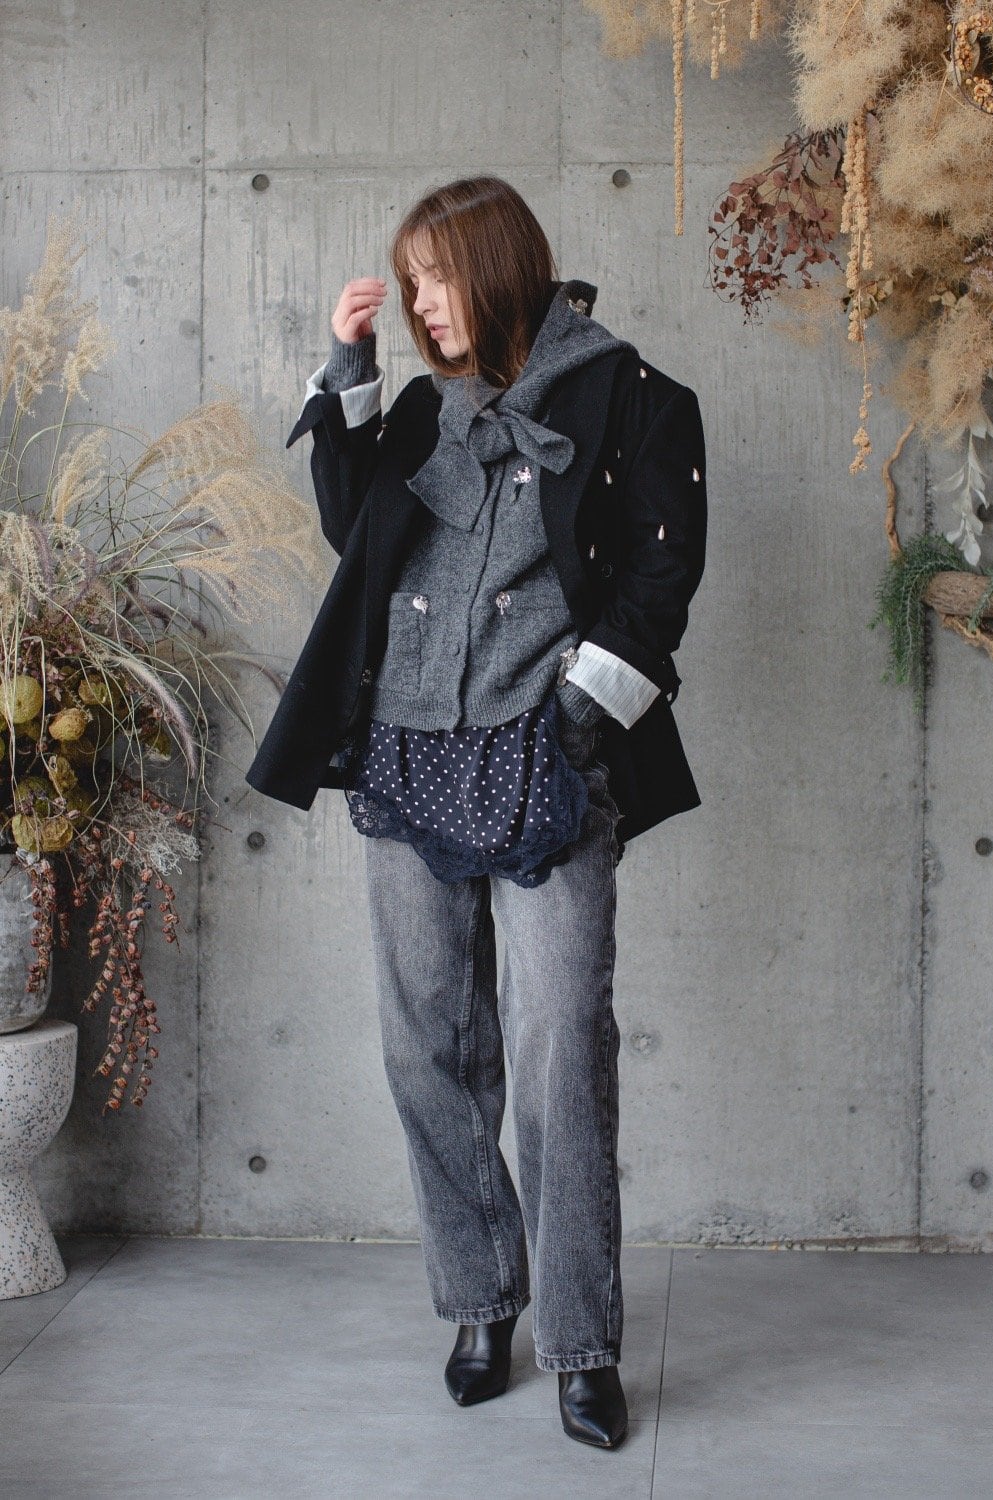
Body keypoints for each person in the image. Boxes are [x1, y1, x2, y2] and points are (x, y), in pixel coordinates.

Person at [245, 175, 708, 1452]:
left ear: (500, 266)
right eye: (411, 286)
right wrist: (349, 371)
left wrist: (579, 715)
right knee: (427, 1051)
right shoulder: (416, 410)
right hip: (405, 754)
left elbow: (661, 575)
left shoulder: (633, 396)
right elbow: (354, 533)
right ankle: (479, 1301)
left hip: (547, 762)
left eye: (438, 278)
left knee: (561, 1052)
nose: (423, 306)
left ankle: (579, 1343)